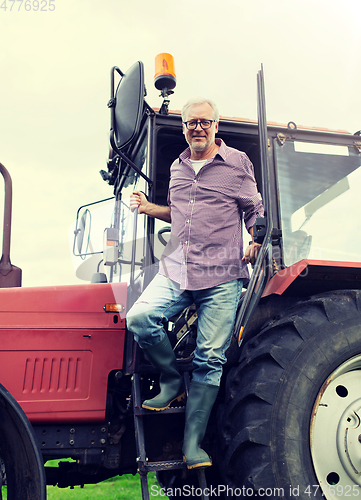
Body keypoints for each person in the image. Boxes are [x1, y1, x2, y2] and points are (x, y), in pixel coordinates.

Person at [126, 97, 264, 469]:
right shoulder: (178, 166)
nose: (197, 128)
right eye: (191, 123)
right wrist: (149, 208)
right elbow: (182, 212)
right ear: (184, 127)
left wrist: (254, 238)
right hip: (177, 268)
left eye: (204, 122)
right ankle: (171, 382)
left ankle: (192, 446)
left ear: (215, 126)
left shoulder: (236, 164)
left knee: (209, 359)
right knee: (139, 318)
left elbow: (253, 208)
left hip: (221, 275)